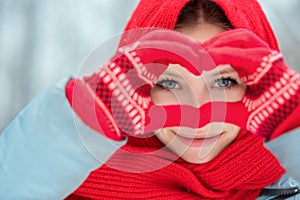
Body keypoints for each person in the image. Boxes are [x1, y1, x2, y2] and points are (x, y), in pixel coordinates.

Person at [0, 0, 299, 199]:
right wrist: (84, 117)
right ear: (132, 86)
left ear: (261, 87)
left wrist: (294, 130)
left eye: (223, 81)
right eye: (169, 83)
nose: (196, 110)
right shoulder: (66, 187)